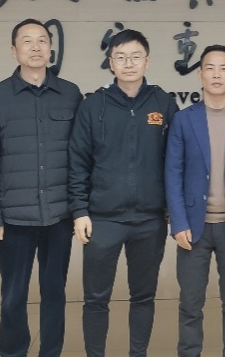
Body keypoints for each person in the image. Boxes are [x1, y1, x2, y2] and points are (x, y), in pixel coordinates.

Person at [68, 29, 179, 357]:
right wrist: (79, 211)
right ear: (110, 63)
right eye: (120, 57)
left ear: (147, 61)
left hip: (149, 219)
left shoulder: (163, 102)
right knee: (96, 299)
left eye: (135, 57)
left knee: (143, 297)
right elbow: (78, 161)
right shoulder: (93, 105)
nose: (128, 63)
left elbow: (176, 160)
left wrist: (173, 208)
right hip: (103, 219)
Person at [0, 19, 83, 357]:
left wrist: (80, 209)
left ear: (51, 49)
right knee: (13, 296)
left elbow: (81, 156)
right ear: (14, 50)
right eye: (27, 41)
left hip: (59, 215)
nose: (35, 47)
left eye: (42, 40)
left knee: (55, 293)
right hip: (14, 219)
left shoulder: (70, 93)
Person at [165, 45, 225, 357]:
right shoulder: (183, 120)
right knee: (190, 304)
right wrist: (178, 222)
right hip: (193, 228)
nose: (217, 74)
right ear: (200, 74)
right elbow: (172, 173)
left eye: (224, 68)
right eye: (210, 68)